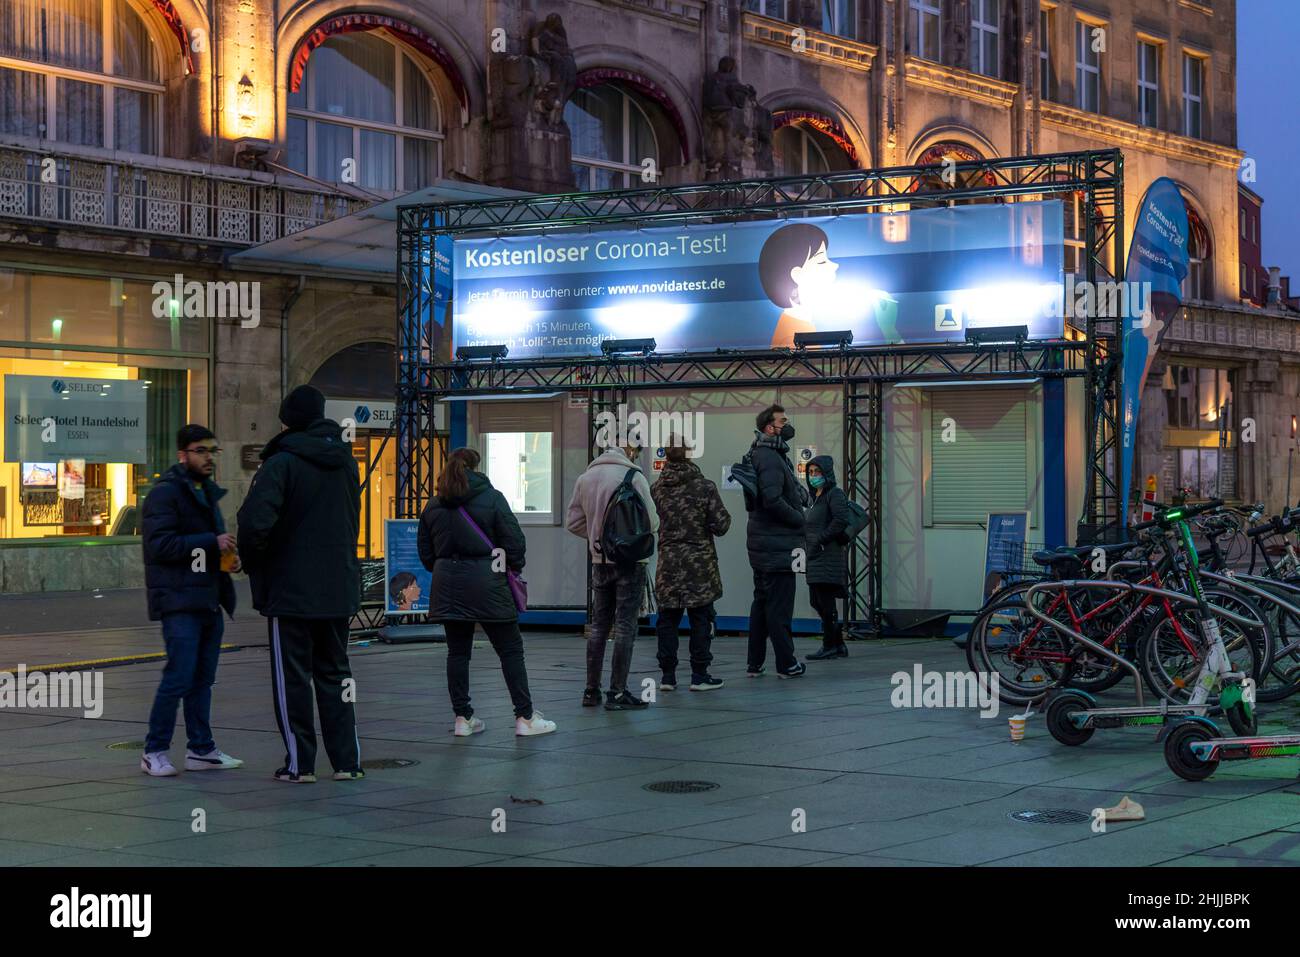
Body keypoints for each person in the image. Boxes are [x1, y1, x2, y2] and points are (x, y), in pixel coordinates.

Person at [236, 385, 364, 784]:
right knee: (336, 674)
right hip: (337, 587)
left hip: (291, 590)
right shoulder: (346, 462)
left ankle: (299, 764)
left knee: (292, 677)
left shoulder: (281, 463)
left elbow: (255, 524)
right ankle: (346, 762)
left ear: (288, 419)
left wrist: (256, 562)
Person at [417, 447, 555, 737]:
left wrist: (448, 568)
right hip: (487, 582)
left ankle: (462, 718)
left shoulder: (433, 505)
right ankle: (525, 717)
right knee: (510, 649)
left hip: (447, 585)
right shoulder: (492, 498)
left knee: (457, 652)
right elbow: (514, 543)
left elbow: (426, 554)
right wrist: (508, 567)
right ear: (477, 468)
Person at [139, 425, 244, 777]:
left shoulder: (204, 492)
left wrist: (226, 556)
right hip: (179, 600)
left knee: (202, 679)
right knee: (179, 676)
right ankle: (154, 750)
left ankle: (201, 749)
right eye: (201, 450)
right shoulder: (166, 494)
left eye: (213, 450)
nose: (209, 457)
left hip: (207, 599)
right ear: (182, 454)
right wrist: (210, 542)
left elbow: (206, 546)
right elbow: (160, 546)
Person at [566, 437, 660, 710]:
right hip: (630, 562)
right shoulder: (633, 476)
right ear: (630, 450)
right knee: (625, 627)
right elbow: (652, 521)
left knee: (598, 626)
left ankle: (590, 691)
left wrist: (599, 537)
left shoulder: (586, 477)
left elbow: (573, 522)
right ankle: (617, 692)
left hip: (599, 560)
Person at [651, 436, 731, 691]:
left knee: (667, 620)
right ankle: (699, 675)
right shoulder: (704, 487)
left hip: (668, 563)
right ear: (689, 454)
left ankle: (667, 677)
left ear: (666, 456)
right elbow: (722, 525)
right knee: (701, 618)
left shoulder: (656, 489)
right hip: (700, 564)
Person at [745, 403, 807, 678]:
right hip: (778, 543)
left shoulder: (762, 454)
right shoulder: (770, 458)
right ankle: (786, 663)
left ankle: (755, 662)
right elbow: (772, 499)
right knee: (780, 605)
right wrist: (799, 518)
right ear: (770, 427)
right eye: (784, 420)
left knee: (762, 603)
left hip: (764, 543)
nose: (788, 424)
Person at [803, 456, 851, 661]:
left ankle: (829, 644)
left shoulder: (835, 494)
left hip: (827, 555)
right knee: (818, 601)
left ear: (827, 473)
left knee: (824, 601)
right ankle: (838, 644)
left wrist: (821, 539)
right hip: (815, 555)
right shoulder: (815, 497)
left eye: (817, 472)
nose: (813, 476)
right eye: (811, 472)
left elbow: (841, 520)